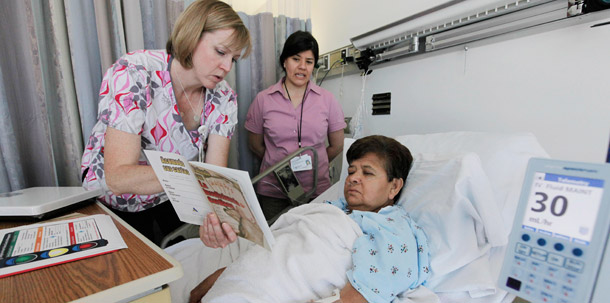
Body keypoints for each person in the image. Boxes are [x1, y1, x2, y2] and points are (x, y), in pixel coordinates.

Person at [80, 0, 251, 246]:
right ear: (192, 36)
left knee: (191, 258)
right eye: (221, 52)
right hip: (111, 200)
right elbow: (118, 177)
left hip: (168, 196)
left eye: (234, 59)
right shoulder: (134, 73)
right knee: (139, 273)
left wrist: (214, 222)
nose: (226, 67)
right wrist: (196, 177)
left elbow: (215, 176)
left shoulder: (224, 98)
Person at [189, 135, 431, 303]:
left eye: (367, 173)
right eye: (351, 171)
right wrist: (223, 275)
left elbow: (378, 284)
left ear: (394, 186)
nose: (353, 178)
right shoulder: (330, 209)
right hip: (241, 282)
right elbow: (279, 247)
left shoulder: (392, 227)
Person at [245, 30, 346, 220]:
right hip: (273, 190)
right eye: (295, 59)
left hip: (316, 189)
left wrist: (317, 163)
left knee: (314, 242)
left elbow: (337, 145)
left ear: (314, 65)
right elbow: (255, 145)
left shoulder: (327, 100)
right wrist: (278, 163)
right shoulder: (263, 100)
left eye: (309, 61)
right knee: (274, 243)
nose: (302, 67)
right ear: (285, 61)